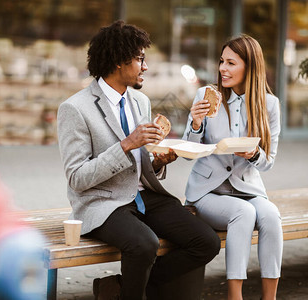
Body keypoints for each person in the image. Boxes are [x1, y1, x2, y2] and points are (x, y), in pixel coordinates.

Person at [57, 20, 220, 300]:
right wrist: (126, 145)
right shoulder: (75, 108)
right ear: (119, 61)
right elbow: (77, 178)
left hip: (145, 196)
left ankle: (121, 288)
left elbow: (142, 160)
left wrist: (159, 160)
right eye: (139, 59)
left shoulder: (139, 101)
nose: (145, 66)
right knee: (144, 244)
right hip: (103, 202)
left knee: (207, 242)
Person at [182, 34, 283, 300]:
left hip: (248, 188)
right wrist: (195, 123)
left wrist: (253, 154)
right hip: (207, 192)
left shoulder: (269, 105)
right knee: (243, 212)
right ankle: (234, 296)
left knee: (271, 215)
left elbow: (268, 162)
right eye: (221, 61)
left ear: (249, 67)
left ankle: (269, 296)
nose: (222, 69)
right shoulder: (206, 95)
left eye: (231, 63)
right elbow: (187, 152)